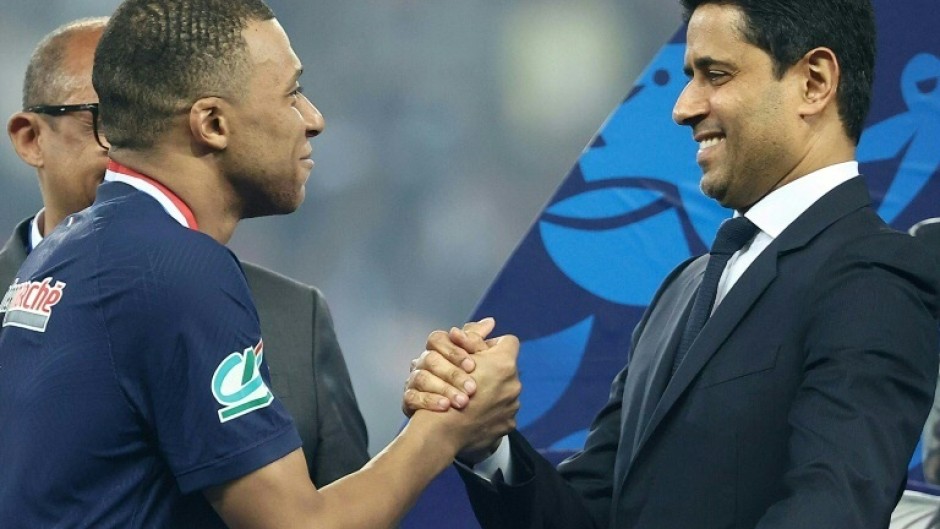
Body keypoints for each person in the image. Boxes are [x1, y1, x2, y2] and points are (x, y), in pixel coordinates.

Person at [404, 0, 940, 527]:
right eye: (690, 76)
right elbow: (591, 515)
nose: (684, 107)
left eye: (717, 74)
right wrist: (487, 439)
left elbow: (830, 512)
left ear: (814, 81)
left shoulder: (876, 278)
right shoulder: (682, 289)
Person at [0, 1, 521, 528]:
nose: (313, 120)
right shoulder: (177, 269)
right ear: (212, 123)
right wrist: (447, 425)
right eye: (291, 94)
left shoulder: (61, 253)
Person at [1, 16, 369, 488]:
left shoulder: (296, 320)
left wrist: (459, 430)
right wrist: (440, 430)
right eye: (107, 116)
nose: (133, 143)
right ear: (31, 138)